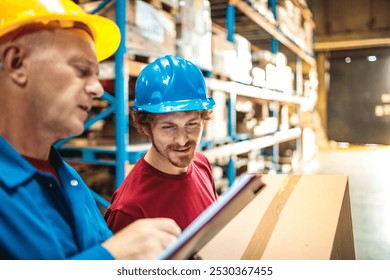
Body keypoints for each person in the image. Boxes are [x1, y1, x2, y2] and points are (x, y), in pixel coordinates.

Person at [0, 0, 181, 260]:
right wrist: (112, 257)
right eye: (82, 70)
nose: (97, 89)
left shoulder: (67, 178)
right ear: (17, 63)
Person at [105, 55, 218, 233]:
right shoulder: (129, 210)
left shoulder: (201, 164)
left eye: (192, 124)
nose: (182, 140)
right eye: (168, 127)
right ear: (146, 126)